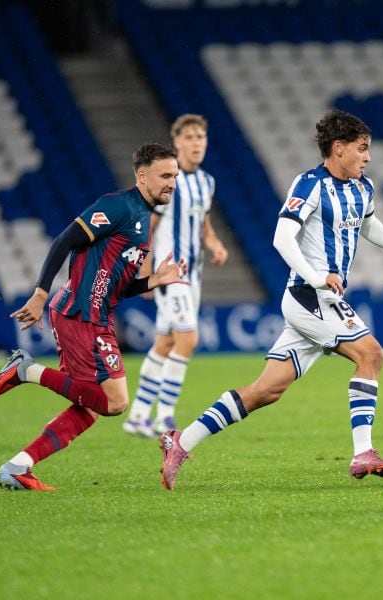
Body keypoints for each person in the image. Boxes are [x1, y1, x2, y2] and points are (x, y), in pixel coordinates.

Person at [157, 110, 383, 490]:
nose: (368, 157)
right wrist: (317, 277)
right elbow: (282, 238)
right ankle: (363, 453)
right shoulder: (309, 185)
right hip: (308, 295)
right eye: (361, 149)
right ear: (338, 148)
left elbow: (367, 223)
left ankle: (180, 441)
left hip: (321, 299)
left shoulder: (362, 188)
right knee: (372, 355)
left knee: (265, 391)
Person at [0, 143, 189, 491]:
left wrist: (154, 280)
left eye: (175, 176)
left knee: (90, 405)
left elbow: (114, 286)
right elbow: (63, 241)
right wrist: (40, 292)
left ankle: (18, 467)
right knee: (115, 402)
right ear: (142, 176)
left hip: (93, 315)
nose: (172, 183)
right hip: (81, 315)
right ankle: (25, 370)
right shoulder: (118, 206)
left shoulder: (142, 218)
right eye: (165, 175)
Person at [123, 115, 229, 438]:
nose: (197, 143)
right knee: (188, 340)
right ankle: (165, 416)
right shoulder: (169, 180)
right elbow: (148, 226)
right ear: (178, 142)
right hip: (171, 275)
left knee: (165, 342)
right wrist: (145, 272)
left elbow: (203, 224)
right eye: (190, 137)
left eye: (201, 137)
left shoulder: (207, 182)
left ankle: (138, 416)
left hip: (193, 275)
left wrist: (215, 244)